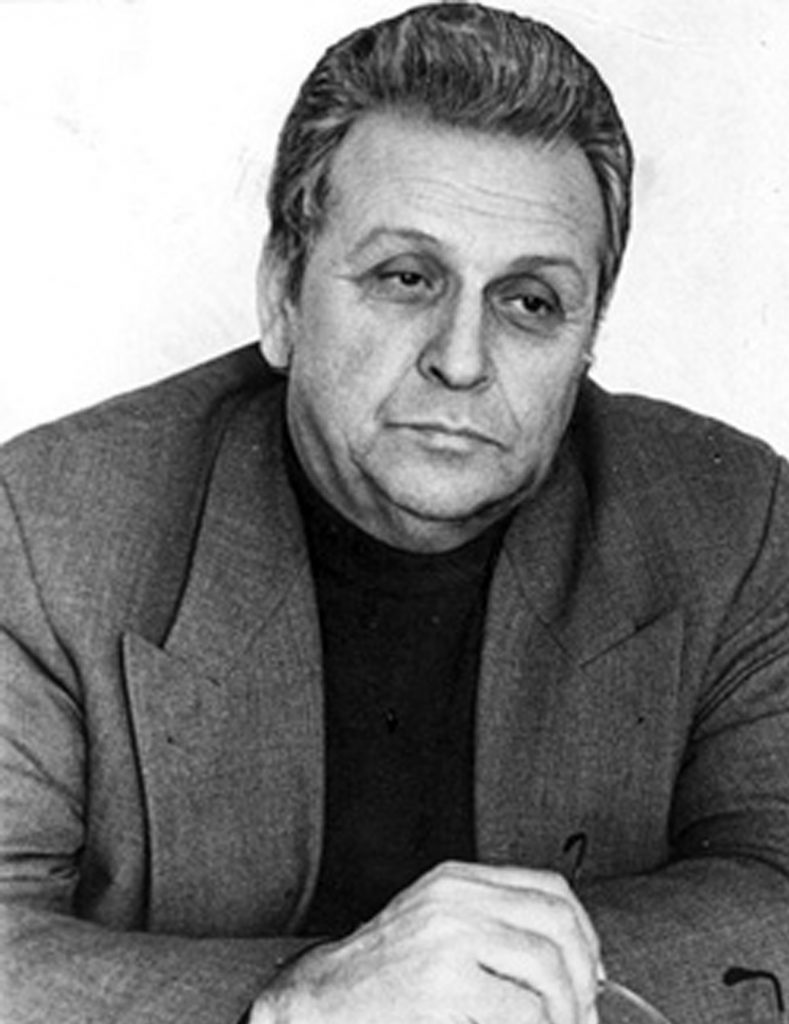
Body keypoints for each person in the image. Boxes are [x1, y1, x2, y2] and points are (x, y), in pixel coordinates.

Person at [1, 3, 787, 1022]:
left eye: (529, 300)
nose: (460, 359)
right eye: (406, 278)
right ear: (283, 295)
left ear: (589, 334)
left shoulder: (730, 522)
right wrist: (299, 1002)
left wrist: (500, 980)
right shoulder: (47, 526)